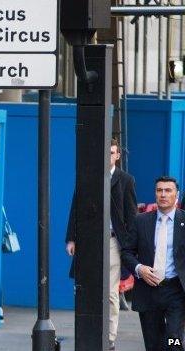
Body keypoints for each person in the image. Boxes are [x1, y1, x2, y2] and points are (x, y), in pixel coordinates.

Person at [65, 138, 137, 351]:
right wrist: (72, 238)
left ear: (117, 156)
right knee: (86, 288)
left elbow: (131, 215)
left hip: (114, 242)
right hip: (89, 242)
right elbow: (75, 208)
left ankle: (110, 338)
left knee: (111, 292)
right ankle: (88, 334)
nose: (108, 156)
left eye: (112, 152)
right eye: (105, 152)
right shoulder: (88, 176)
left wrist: (131, 246)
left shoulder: (126, 180)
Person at [121, 176, 185, 351]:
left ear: (176, 195)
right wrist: (139, 269)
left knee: (174, 340)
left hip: (176, 290)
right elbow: (126, 252)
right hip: (148, 291)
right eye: (159, 190)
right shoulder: (140, 221)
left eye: (168, 190)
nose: (163, 194)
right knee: (153, 344)